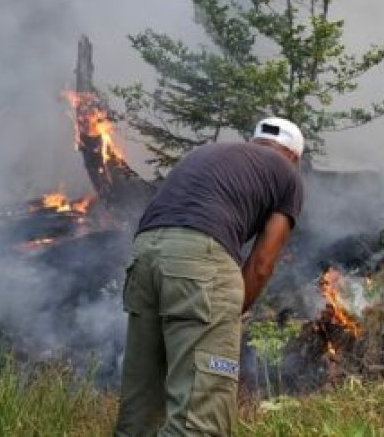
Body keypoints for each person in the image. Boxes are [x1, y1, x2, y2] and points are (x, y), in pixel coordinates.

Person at [114, 117, 305, 437]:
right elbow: (261, 264)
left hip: (144, 254)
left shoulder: (208, 153)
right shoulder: (288, 175)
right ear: (295, 157)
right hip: (199, 260)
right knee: (199, 420)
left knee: (141, 406)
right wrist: (230, 314)